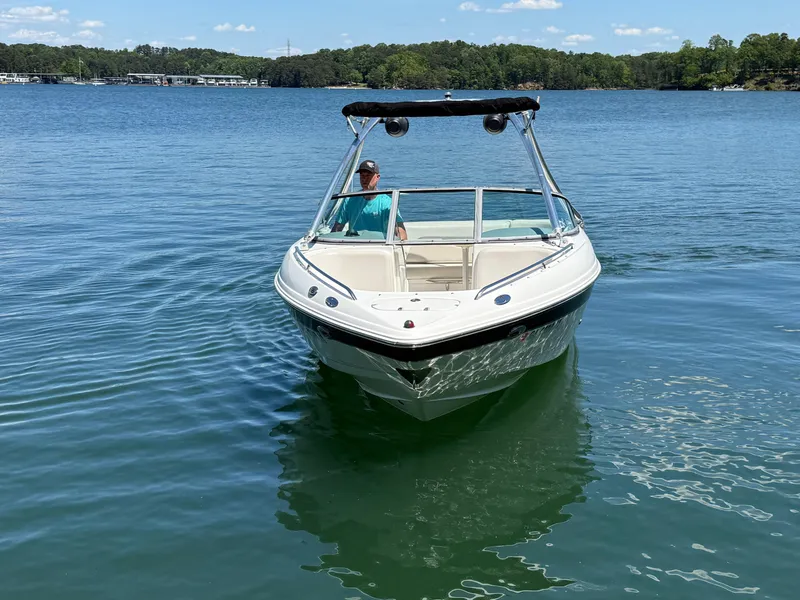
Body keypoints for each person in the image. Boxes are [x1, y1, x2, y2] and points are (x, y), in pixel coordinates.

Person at [332, 160, 408, 240]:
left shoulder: (387, 203)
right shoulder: (349, 200)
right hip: (355, 245)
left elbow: (401, 233)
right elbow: (337, 228)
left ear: (377, 177)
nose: (365, 179)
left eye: (368, 176)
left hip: (379, 245)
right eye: (362, 175)